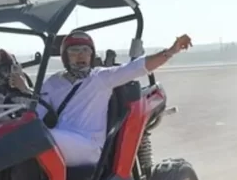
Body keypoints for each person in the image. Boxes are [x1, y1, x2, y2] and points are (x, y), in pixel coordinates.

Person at [23, 30, 192, 167]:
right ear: (65, 56)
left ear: (91, 54)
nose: (81, 55)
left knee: (38, 139)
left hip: (88, 144)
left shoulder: (101, 78)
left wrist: (171, 51)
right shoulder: (54, 82)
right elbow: (36, 115)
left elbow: (137, 68)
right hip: (61, 139)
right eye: (74, 51)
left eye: (85, 51)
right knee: (24, 137)